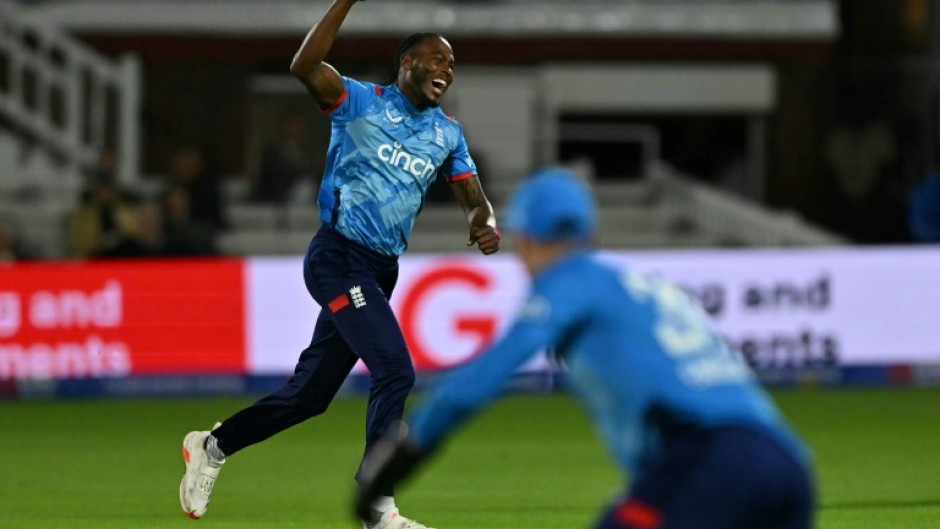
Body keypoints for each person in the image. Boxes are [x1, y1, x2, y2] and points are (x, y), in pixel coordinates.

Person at [178, 1, 501, 528]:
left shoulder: (447, 133)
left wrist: (483, 221)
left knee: (309, 397)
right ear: (407, 63)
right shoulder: (360, 101)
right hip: (338, 257)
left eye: (451, 63)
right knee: (395, 370)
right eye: (436, 58)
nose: (445, 69)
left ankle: (213, 446)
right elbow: (303, 66)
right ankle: (378, 506)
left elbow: (474, 198)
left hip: (380, 270)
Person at [355, 168, 816, 529]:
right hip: (787, 463)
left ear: (526, 240)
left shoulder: (565, 283)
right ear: (590, 234)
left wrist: (403, 456)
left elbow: (481, 379)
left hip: (708, 458)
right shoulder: (637, 285)